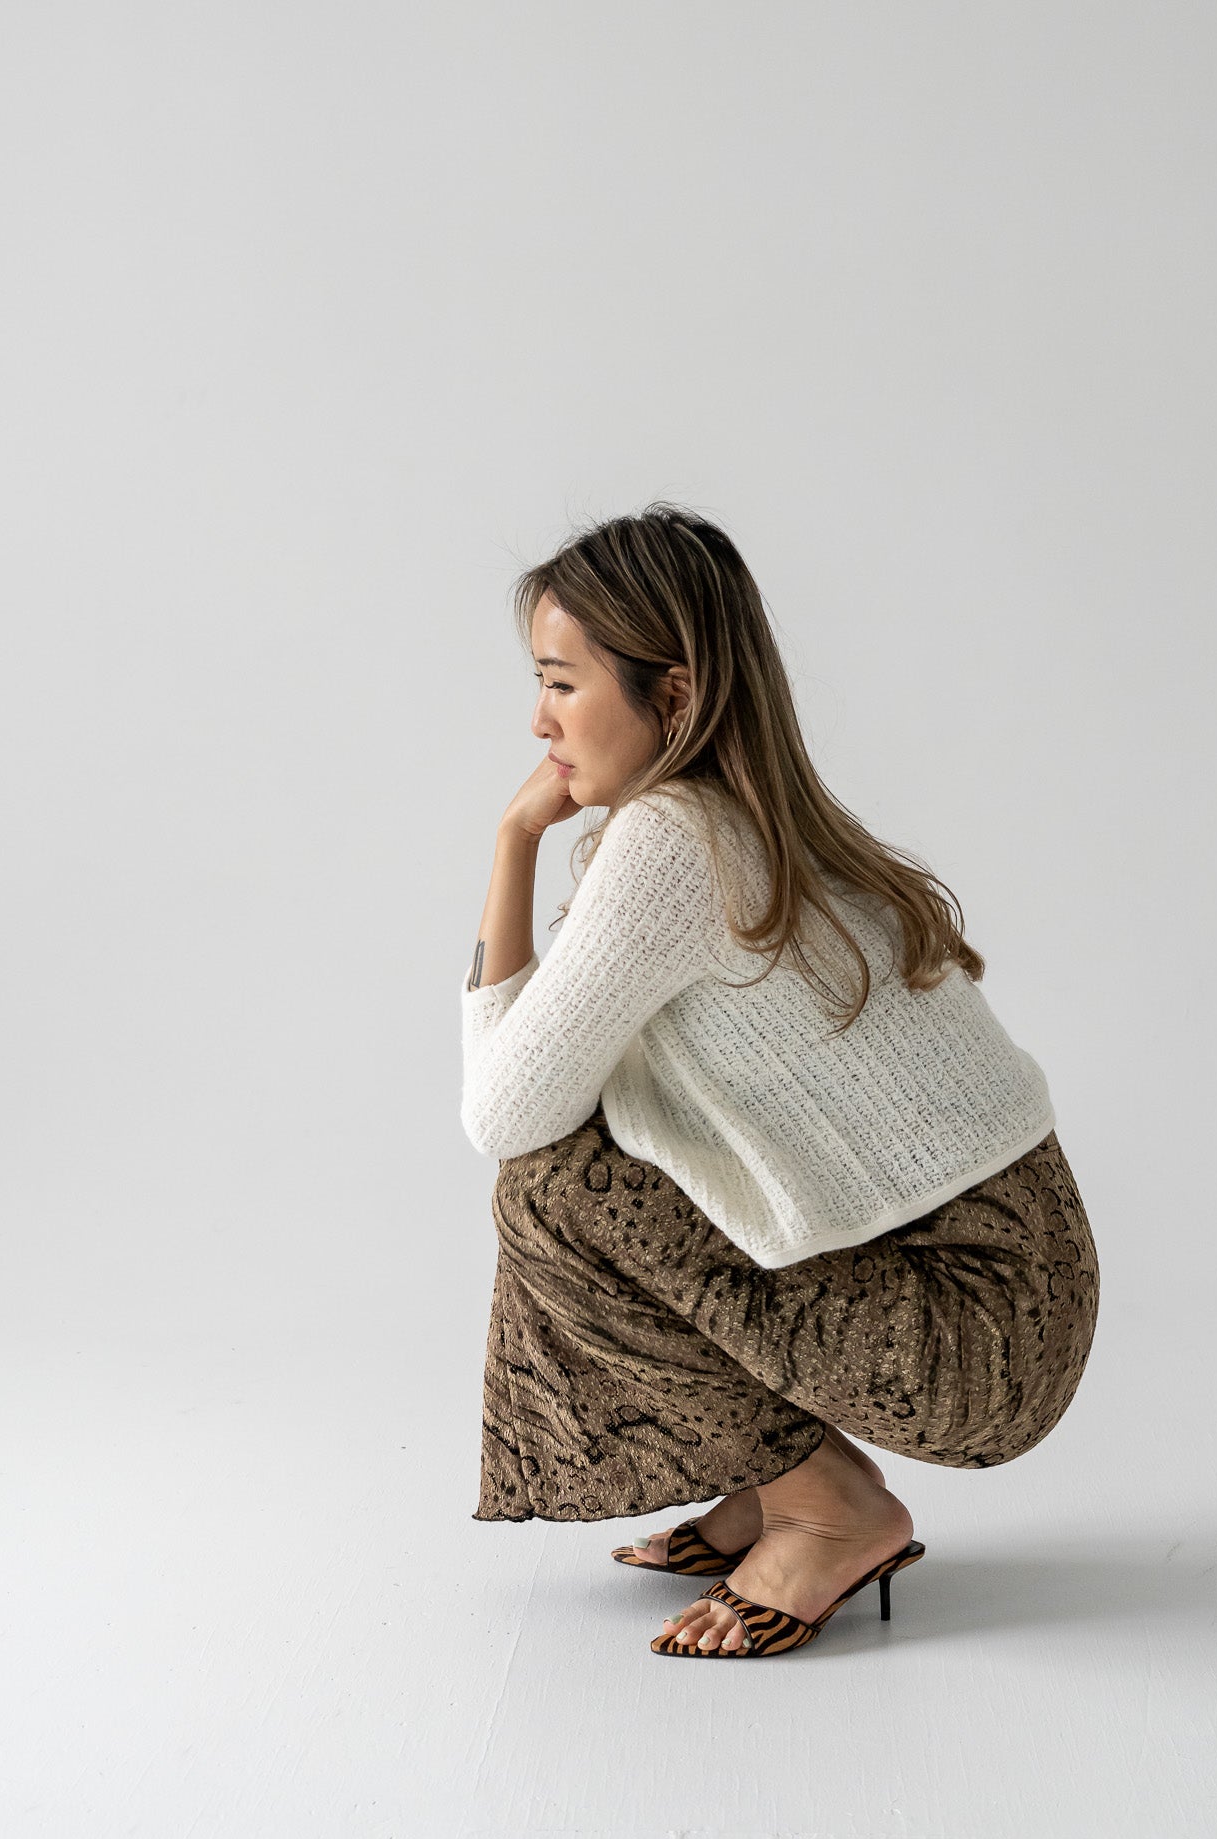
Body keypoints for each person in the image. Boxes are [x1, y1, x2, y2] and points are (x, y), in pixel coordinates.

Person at [459, 504, 1100, 1662]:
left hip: (969, 1333)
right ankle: (767, 1480)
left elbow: (503, 1114)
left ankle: (825, 1509)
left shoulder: (673, 838)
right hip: (1014, 1293)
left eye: (559, 683)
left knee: (553, 1186)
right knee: (608, 1161)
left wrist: (512, 842)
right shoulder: (751, 814)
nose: (537, 720)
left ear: (673, 693)